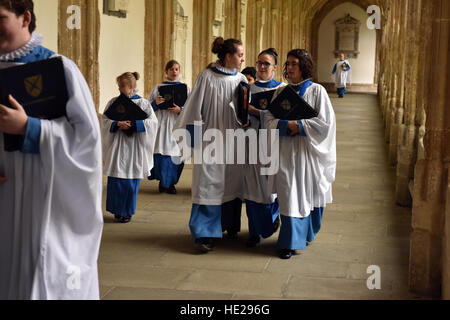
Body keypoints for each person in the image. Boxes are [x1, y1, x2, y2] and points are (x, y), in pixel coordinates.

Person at [0, 0, 103, 299]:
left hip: (44, 199)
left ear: (25, 18)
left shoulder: (59, 69)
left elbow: (88, 144)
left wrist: (30, 128)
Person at [174, 37, 247, 253]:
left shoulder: (241, 79)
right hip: (210, 142)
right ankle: (204, 233)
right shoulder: (207, 77)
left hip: (234, 141)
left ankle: (229, 226)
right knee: (208, 184)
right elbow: (193, 109)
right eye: (240, 55)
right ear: (227, 56)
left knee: (232, 183)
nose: (243, 59)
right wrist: (194, 143)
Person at [264, 49, 336, 259]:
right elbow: (268, 119)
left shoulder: (317, 91)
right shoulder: (280, 92)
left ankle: (306, 233)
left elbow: (326, 123)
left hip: (308, 154)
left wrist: (301, 126)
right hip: (286, 152)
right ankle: (287, 243)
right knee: (288, 195)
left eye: (294, 63)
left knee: (309, 193)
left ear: (304, 66)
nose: (290, 67)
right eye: (288, 64)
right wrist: (285, 124)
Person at [102, 72, 158, 223]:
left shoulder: (144, 104)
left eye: (122, 86)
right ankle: (116, 210)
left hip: (135, 146)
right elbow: (105, 120)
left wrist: (135, 124)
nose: (119, 88)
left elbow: (153, 123)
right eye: (119, 85)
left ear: (132, 87)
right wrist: (116, 124)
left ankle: (127, 211)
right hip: (118, 145)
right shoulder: (114, 102)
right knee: (116, 180)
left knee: (130, 182)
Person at [244, 48, 285, 248]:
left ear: (274, 67)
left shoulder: (283, 89)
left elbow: (284, 115)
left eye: (266, 63)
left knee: (272, 187)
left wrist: (259, 113)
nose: (261, 66)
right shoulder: (248, 89)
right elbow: (237, 113)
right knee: (252, 187)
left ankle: (272, 218)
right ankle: (253, 232)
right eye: (259, 62)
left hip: (273, 143)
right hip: (251, 141)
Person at [147, 60, 189, 195]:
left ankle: (171, 183)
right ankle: (163, 182)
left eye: (177, 69)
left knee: (176, 153)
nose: (174, 71)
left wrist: (181, 109)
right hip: (162, 123)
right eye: (171, 69)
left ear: (179, 71)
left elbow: (191, 107)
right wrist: (155, 103)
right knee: (162, 152)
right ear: (166, 71)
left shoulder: (185, 88)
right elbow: (147, 107)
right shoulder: (158, 87)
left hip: (177, 123)